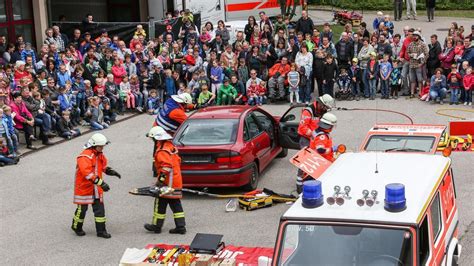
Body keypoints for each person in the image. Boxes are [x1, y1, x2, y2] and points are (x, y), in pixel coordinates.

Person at [71, 133, 121, 238]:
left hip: (95, 188)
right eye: (101, 146)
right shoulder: (85, 156)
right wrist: (101, 183)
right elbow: (87, 173)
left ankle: (101, 231)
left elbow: (102, 166)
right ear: (93, 145)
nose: (102, 148)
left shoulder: (99, 154)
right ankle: (76, 227)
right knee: (82, 209)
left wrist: (110, 171)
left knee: (100, 210)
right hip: (84, 187)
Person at [144, 126, 186, 235]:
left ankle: (157, 226)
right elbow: (177, 161)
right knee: (175, 203)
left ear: (156, 139)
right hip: (176, 179)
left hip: (168, 182)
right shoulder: (170, 146)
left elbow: (166, 167)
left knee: (160, 202)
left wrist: (160, 181)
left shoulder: (162, 150)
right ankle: (180, 227)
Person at [295, 94, 334, 193]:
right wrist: (316, 135)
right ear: (321, 104)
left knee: (317, 161)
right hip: (306, 139)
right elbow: (302, 128)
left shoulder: (321, 110)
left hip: (316, 139)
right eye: (325, 107)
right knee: (305, 162)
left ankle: (313, 181)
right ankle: (299, 186)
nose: (326, 110)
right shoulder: (308, 111)